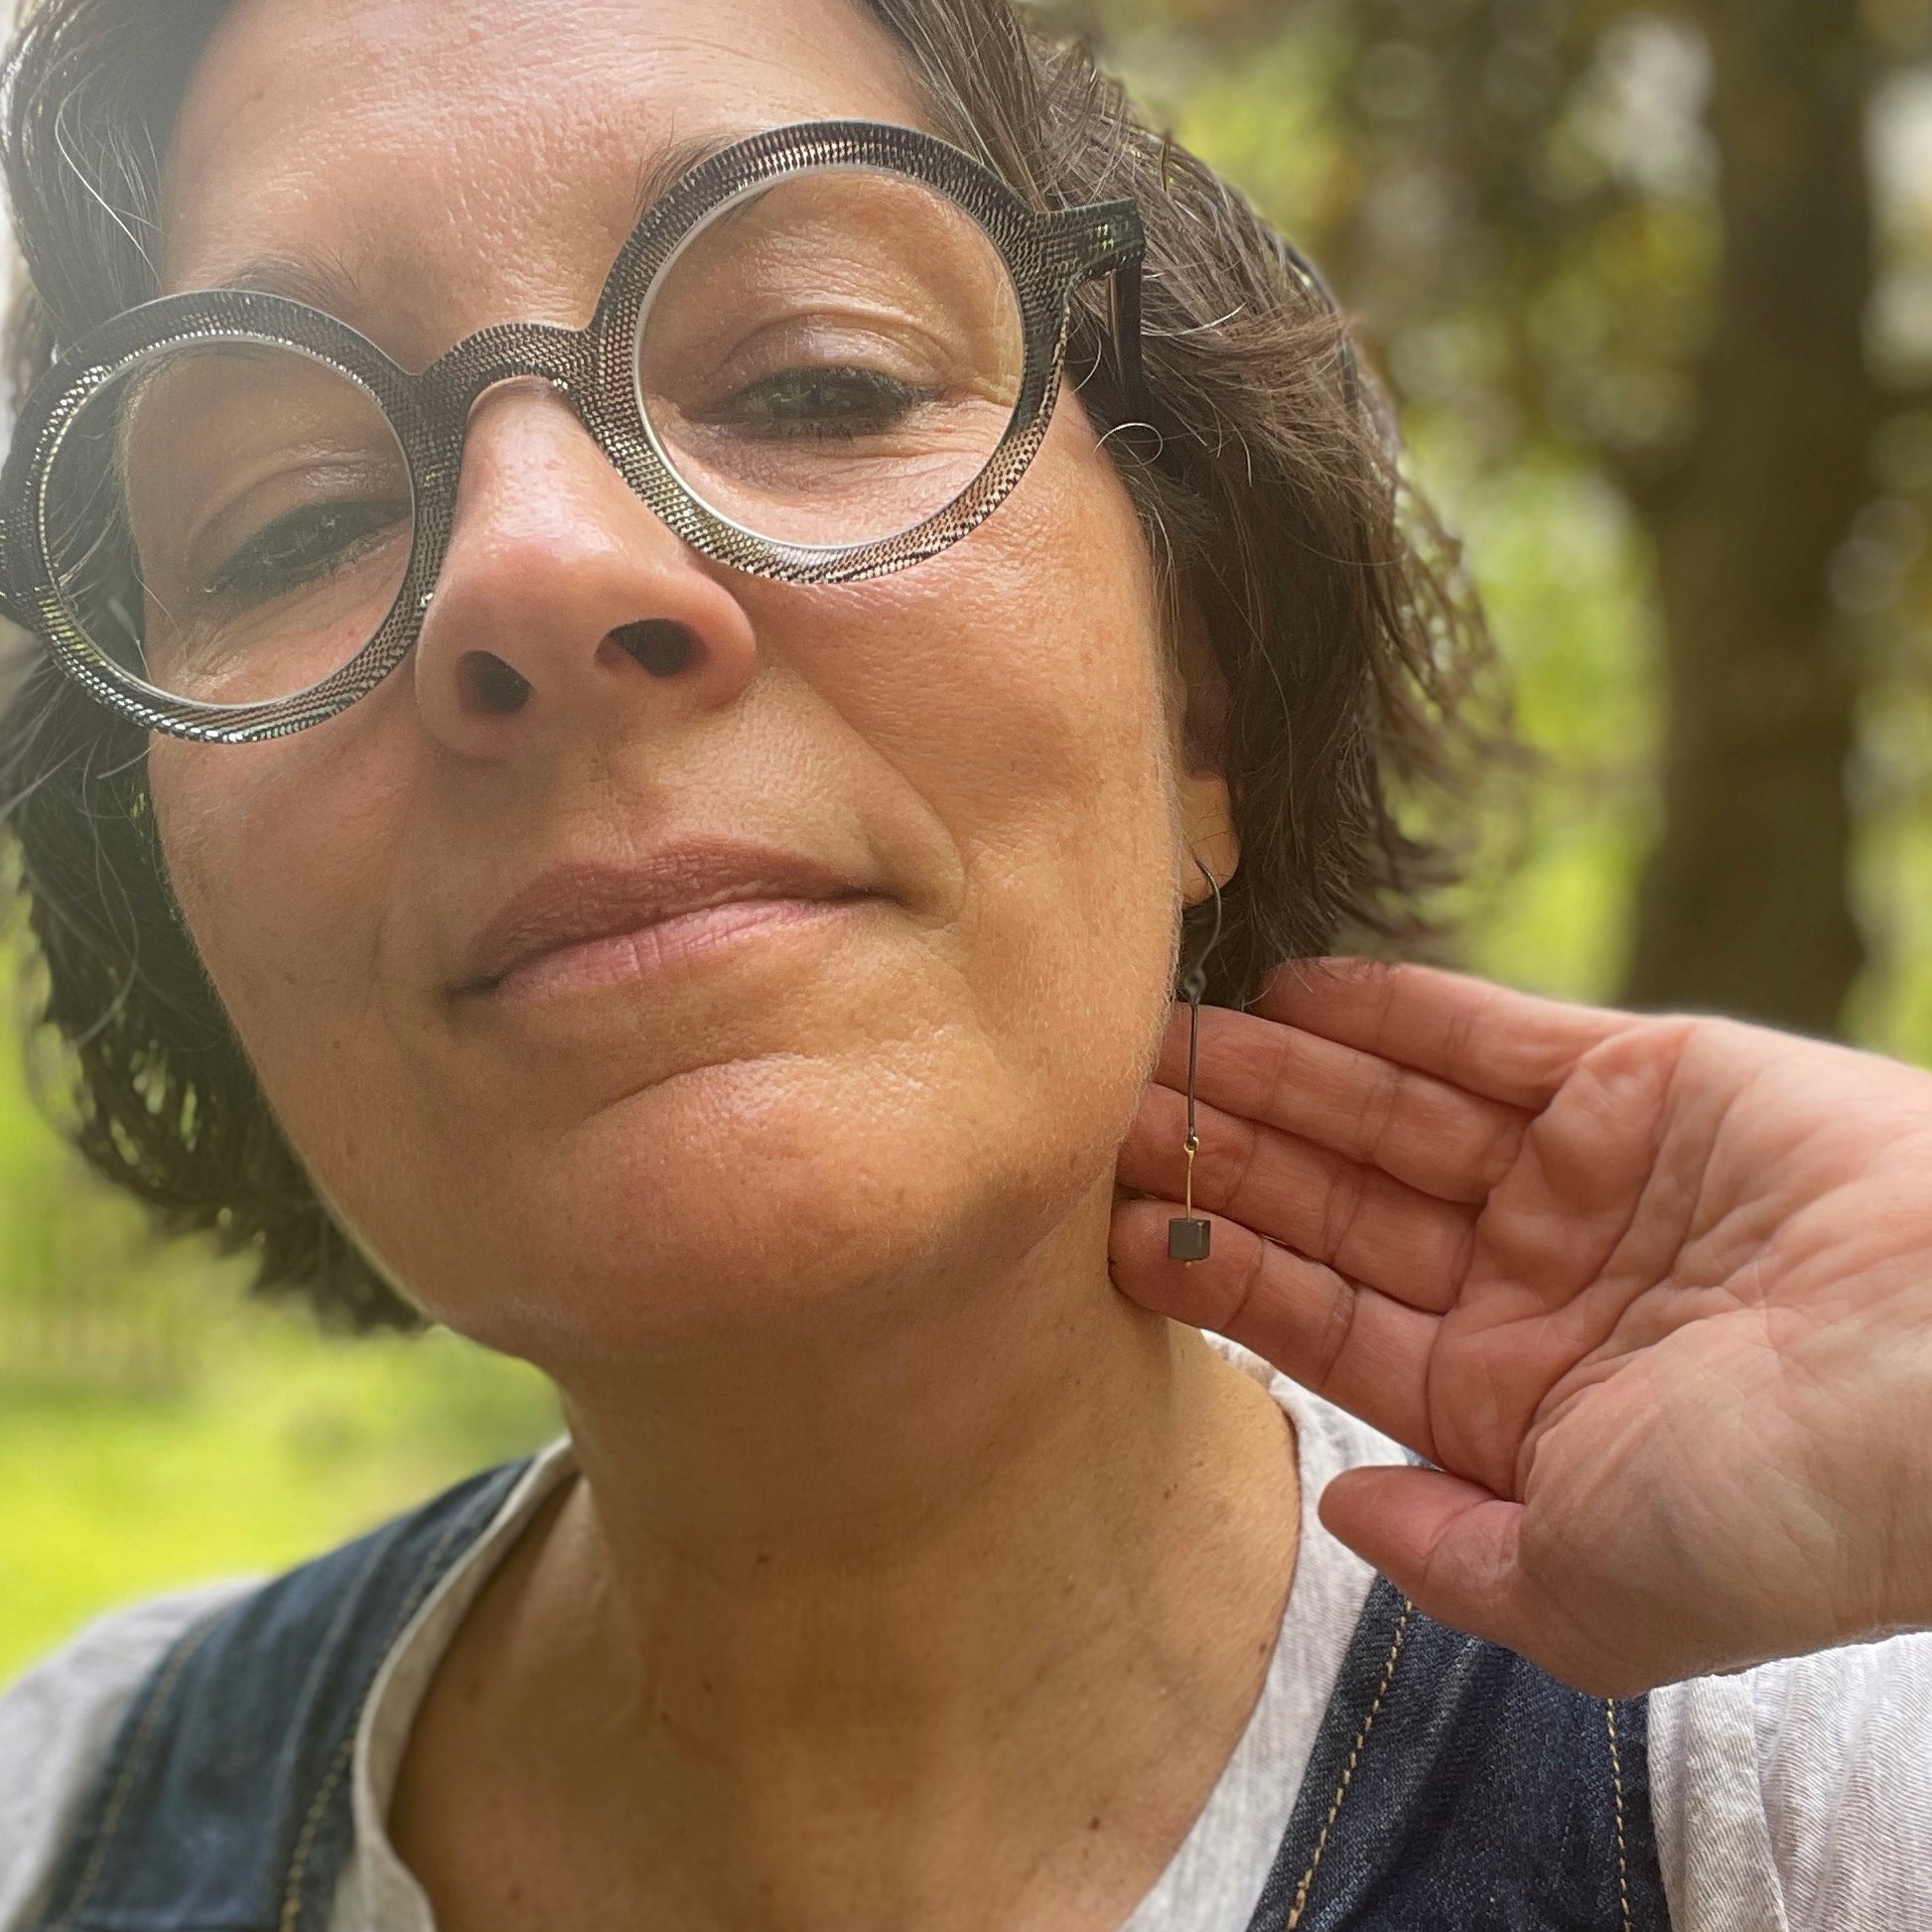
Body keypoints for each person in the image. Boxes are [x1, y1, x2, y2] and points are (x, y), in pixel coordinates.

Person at [0, 0, 1926, 1928]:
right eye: (295, 522)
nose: (531, 568)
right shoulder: (56, 1815)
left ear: (1202, 695)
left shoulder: (1820, 1802)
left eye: (817, 383)